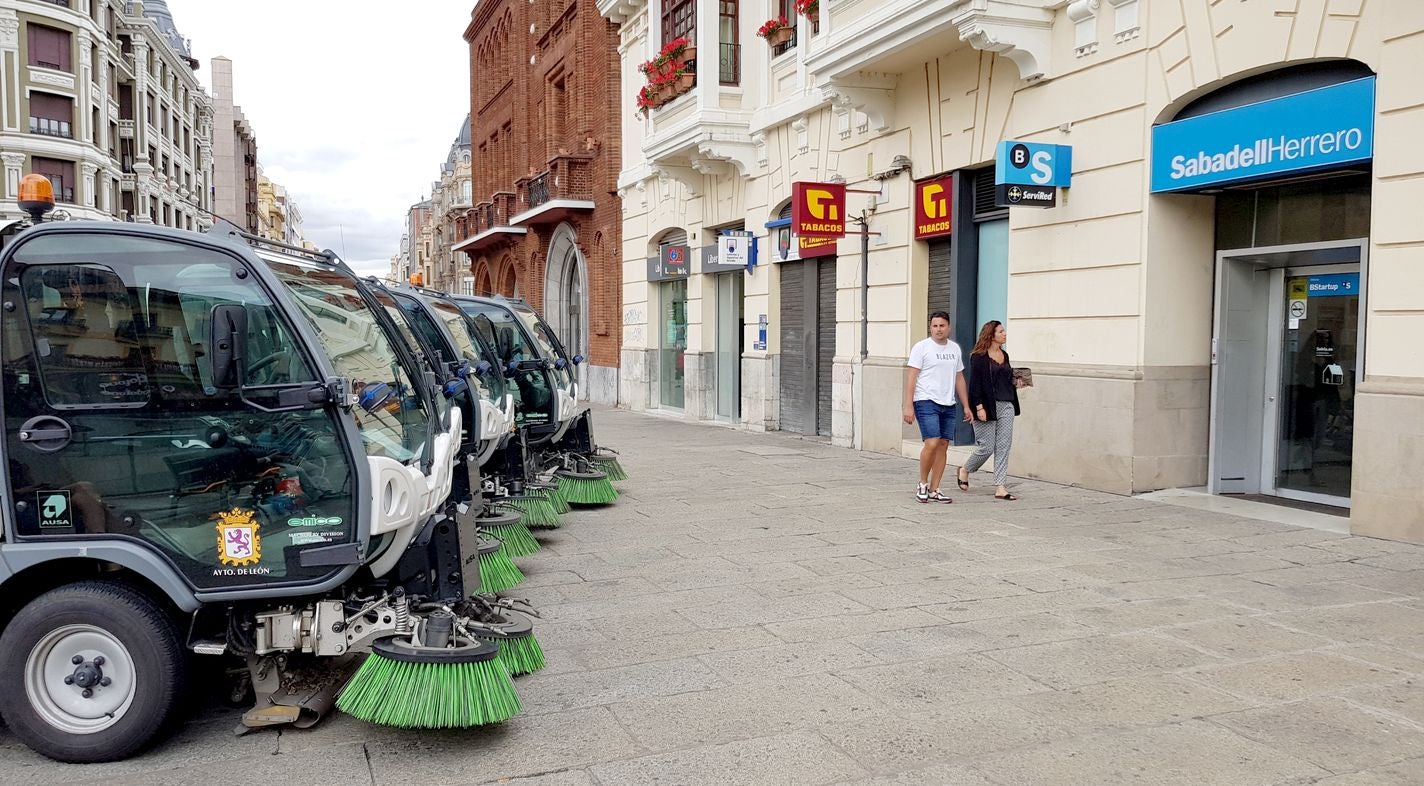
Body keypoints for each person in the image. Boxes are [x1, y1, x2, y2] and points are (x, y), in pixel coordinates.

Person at [902, 311, 971, 503]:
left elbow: (959, 378)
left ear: (948, 327)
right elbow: (912, 377)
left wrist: (966, 405)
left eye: (942, 326)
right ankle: (922, 483)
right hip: (925, 401)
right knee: (931, 442)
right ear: (930, 327)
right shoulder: (922, 347)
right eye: (935, 326)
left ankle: (934, 489)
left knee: (943, 445)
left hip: (948, 402)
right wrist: (908, 405)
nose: (938, 329)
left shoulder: (955, 349)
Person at [960, 320, 1022, 500]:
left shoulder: (1005, 355)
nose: (1005, 334)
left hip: (1007, 405)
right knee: (986, 447)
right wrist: (979, 407)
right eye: (1001, 331)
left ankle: (1000, 487)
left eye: (1004, 331)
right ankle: (965, 469)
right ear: (991, 334)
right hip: (986, 406)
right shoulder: (978, 357)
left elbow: (1005, 379)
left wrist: (1017, 382)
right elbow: (975, 385)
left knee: (1003, 446)